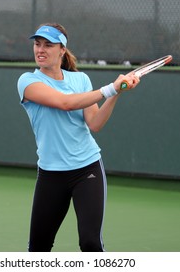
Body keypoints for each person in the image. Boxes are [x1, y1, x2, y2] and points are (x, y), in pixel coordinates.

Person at [17, 22, 140, 252]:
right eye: (37, 44)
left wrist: (117, 93)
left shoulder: (80, 79)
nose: (40, 49)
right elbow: (64, 103)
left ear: (62, 50)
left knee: (91, 243)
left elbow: (95, 123)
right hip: (51, 175)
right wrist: (110, 89)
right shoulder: (27, 81)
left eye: (48, 45)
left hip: (87, 169)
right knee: (38, 248)